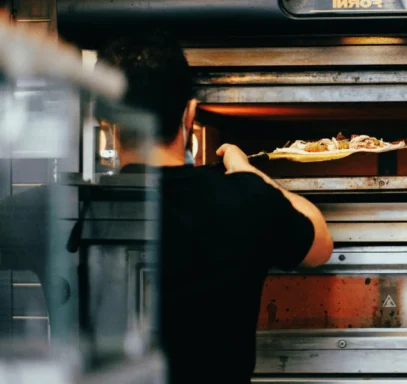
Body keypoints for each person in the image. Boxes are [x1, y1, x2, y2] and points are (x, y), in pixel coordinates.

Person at [93, 32, 334, 383]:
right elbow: (320, 244)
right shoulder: (247, 199)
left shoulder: (71, 205)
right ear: (190, 113)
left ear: (105, 121)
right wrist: (250, 174)